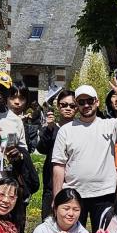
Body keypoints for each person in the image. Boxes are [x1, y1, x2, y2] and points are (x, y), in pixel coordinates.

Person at [51, 79, 117, 231]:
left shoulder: (110, 125)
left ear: (97, 102)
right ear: (77, 105)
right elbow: (58, 166)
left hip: (104, 194)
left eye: (90, 100)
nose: (86, 105)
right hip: (74, 193)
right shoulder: (66, 130)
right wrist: (57, 197)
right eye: (81, 102)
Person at [37, 89, 78, 218]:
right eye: (64, 105)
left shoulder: (80, 129)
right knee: (49, 223)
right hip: (52, 184)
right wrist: (49, 129)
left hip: (74, 183)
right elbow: (42, 149)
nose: (68, 108)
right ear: (58, 106)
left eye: (72, 105)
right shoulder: (52, 128)